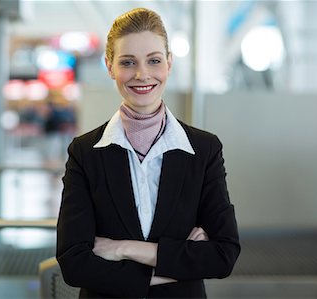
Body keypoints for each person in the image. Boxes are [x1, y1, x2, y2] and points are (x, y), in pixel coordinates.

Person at [56, 7, 240, 298]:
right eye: (128, 62)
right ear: (109, 66)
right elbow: (74, 263)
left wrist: (121, 248)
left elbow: (223, 254)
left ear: (168, 63)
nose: (142, 74)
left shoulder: (204, 150)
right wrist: (179, 261)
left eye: (153, 60)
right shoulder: (86, 152)